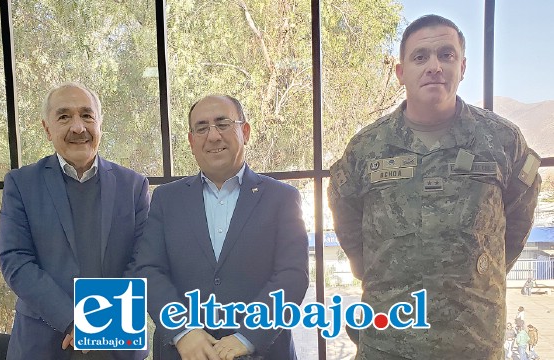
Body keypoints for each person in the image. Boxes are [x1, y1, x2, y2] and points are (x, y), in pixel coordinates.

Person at [328, 14, 541, 360]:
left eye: (446, 55)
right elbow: (346, 215)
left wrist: (481, 269)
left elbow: (517, 220)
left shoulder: (502, 141)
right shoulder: (367, 148)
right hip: (388, 344)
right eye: (420, 57)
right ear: (401, 72)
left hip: (473, 343)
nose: (434, 67)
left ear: (463, 66)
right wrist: (378, 269)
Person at [127, 95, 309, 359]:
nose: (213, 136)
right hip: (183, 352)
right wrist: (182, 330)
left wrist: (248, 337)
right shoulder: (166, 199)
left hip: (262, 351)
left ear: (244, 132)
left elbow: (292, 275)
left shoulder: (282, 198)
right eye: (201, 128)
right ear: (191, 142)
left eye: (223, 124)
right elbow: (148, 269)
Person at [0, 82, 150, 360]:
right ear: (47, 129)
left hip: (118, 341)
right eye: (64, 116)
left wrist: (98, 324)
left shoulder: (133, 185)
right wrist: (72, 319)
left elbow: (144, 261)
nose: (78, 127)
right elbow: (15, 260)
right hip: (41, 344)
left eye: (87, 116)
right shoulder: (21, 184)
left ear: (99, 123)